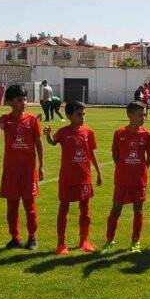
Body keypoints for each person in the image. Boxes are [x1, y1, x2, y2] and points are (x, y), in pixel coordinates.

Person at [44, 101, 103, 255]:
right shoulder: (64, 132)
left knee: (85, 210)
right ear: (69, 115)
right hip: (67, 178)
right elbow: (52, 142)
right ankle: (61, 243)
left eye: (84, 114)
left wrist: (98, 172)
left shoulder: (88, 132)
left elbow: (91, 153)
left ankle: (84, 240)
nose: (82, 117)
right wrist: (48, 134)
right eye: (79, 114)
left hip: (84, 177)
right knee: (64, 209)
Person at [0, 84, 44, 250]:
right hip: (11, 171)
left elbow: (39, 143)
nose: (23, 102)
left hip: (29, 171)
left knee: (30, 206)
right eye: (19, 99)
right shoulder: (6, 119)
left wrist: (41, 165)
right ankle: (15, 237)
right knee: (12, 207)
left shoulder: (32, 120)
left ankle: (33, 237)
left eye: (24, 99)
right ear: (9, 102)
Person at [103, 102, 150, 253]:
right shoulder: (119, 133)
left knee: (138, 210)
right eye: (140, 115)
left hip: (139, 180)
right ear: (129, 115)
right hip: (122, 180)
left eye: (144, 114)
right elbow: (115, 156)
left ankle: (135, 242)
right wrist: (125, 168)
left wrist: (141, 169)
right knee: (116, 209)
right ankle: (109, 240)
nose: (143, 117)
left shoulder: (147, 135)